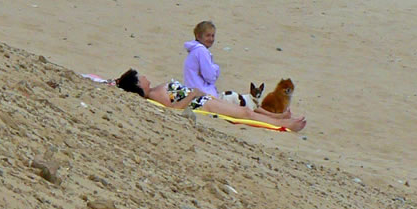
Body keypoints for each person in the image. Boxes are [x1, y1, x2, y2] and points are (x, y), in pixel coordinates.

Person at [113, 70, 308, 131]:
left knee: (248, 108)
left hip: (202, 99)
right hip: (201, 103)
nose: (145, 77)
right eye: (141, 77)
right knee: (246, 113)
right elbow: (174, 109)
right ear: (139, 86)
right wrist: (193, 94)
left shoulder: (154, 90)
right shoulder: (155, 95)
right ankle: (286, 124)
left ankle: (282, 118)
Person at [182, 20, 221, 97]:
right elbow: (210, 77)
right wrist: (216, 68)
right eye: (207, 35)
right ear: (198, 36)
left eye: (213, 36)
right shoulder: (201, 51)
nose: (211, 39)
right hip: (202, 94)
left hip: (193, 91)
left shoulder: (194, 50)